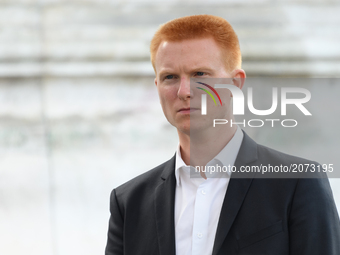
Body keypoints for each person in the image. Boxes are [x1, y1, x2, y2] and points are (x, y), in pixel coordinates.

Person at [105, 14, 340, 255]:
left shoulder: (298, 183)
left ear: (235, 84)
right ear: (157, 87)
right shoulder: (128, 202)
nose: (184, 91)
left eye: (200, 74)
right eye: (170, 77)